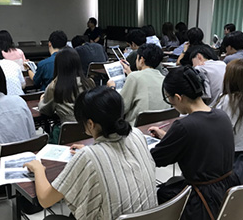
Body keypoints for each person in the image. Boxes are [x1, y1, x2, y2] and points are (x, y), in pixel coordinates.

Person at [24, 86, 158, 220]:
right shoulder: (137, 134)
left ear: (90, 124)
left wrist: (38, 169)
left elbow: (45, 200)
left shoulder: (89, 156)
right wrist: (94, 152)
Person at [149, 66, 239, 220]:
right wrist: (167, 137)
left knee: (160, 193)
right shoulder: (221, 115)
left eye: (168, 98)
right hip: (230, 192)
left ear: (178, 97)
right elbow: (199, 142)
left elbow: (156, 159)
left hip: (202, 202)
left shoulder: (184, 126)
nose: (171, 103)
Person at [39, 47, 95, 143]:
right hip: (89, 134)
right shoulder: (89, 83)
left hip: (66, 136)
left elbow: (46, 110)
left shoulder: (55, 86)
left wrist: (41, 100)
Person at [107, 44, 170, 125]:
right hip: (159, 125)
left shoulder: (134, 77)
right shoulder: (164, 78)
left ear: (141, 59)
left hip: (136, 128)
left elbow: (120, 108)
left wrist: (111, 88)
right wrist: (129, 72)